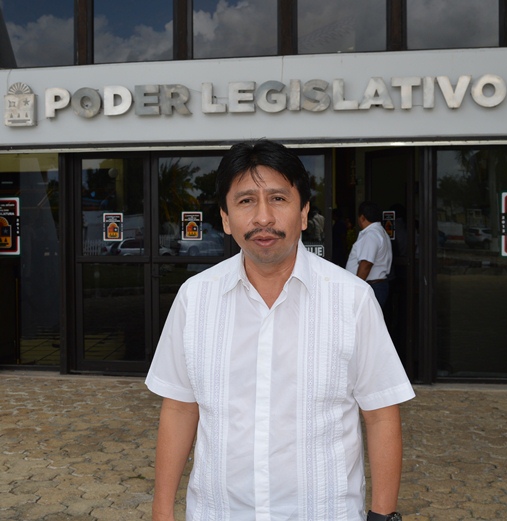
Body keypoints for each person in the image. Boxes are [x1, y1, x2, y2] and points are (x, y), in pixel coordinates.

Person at [145, 140, 414, 521]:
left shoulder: (352, 300)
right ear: (225, 218)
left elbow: (381, 413)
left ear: (303, 212)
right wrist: (162, 511)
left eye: (278, 199)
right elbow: (179, 407)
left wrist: (382, 516)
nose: (263, 217)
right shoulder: (195, 298)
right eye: (245, 201)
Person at [346, 201, 393, 311]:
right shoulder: (380, 232)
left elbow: (366, 264)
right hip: (375, 286)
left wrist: (357, 289)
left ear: (362, 217)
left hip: (371, 286)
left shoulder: (371, 235)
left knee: (364, 320)